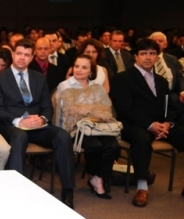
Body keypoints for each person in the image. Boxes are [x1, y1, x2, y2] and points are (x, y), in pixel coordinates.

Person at [0, 39, 76, 208]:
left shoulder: (39, 78)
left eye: (27, 55)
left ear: (32, 58)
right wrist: (19, 120)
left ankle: (68, 190)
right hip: (11, 125)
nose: (22, 58)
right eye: (19, 53)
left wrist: (43, 119)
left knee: (63, 136)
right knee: (20, 137)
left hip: (37, 125)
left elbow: (47, 107)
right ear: (13, 54)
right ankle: (17, 191)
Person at [110, 38, 184, 206]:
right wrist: (151, 125)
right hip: (133, 125)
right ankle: (142, 187)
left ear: (157, 56)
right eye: (144, 54)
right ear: (136, 56)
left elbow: (169, 107)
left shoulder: (161, 81)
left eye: (152, 53)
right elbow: (125, 109)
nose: (148, 57)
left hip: (161, 125)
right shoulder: (122, 79)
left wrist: (168, 123)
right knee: (142, 140)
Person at [53, 55, 120, 199]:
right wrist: (93, 109)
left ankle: (98, 177)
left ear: (91, 71)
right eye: (77, 66)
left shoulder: (97, 88)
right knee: (95, 146)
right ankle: (95, 178)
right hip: (75, 127)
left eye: (84, 67)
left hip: (97, 125)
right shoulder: (65, 86)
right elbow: (68, 111)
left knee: (113, 146)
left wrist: (87, 109)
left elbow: (106, 109)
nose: (79, 70)